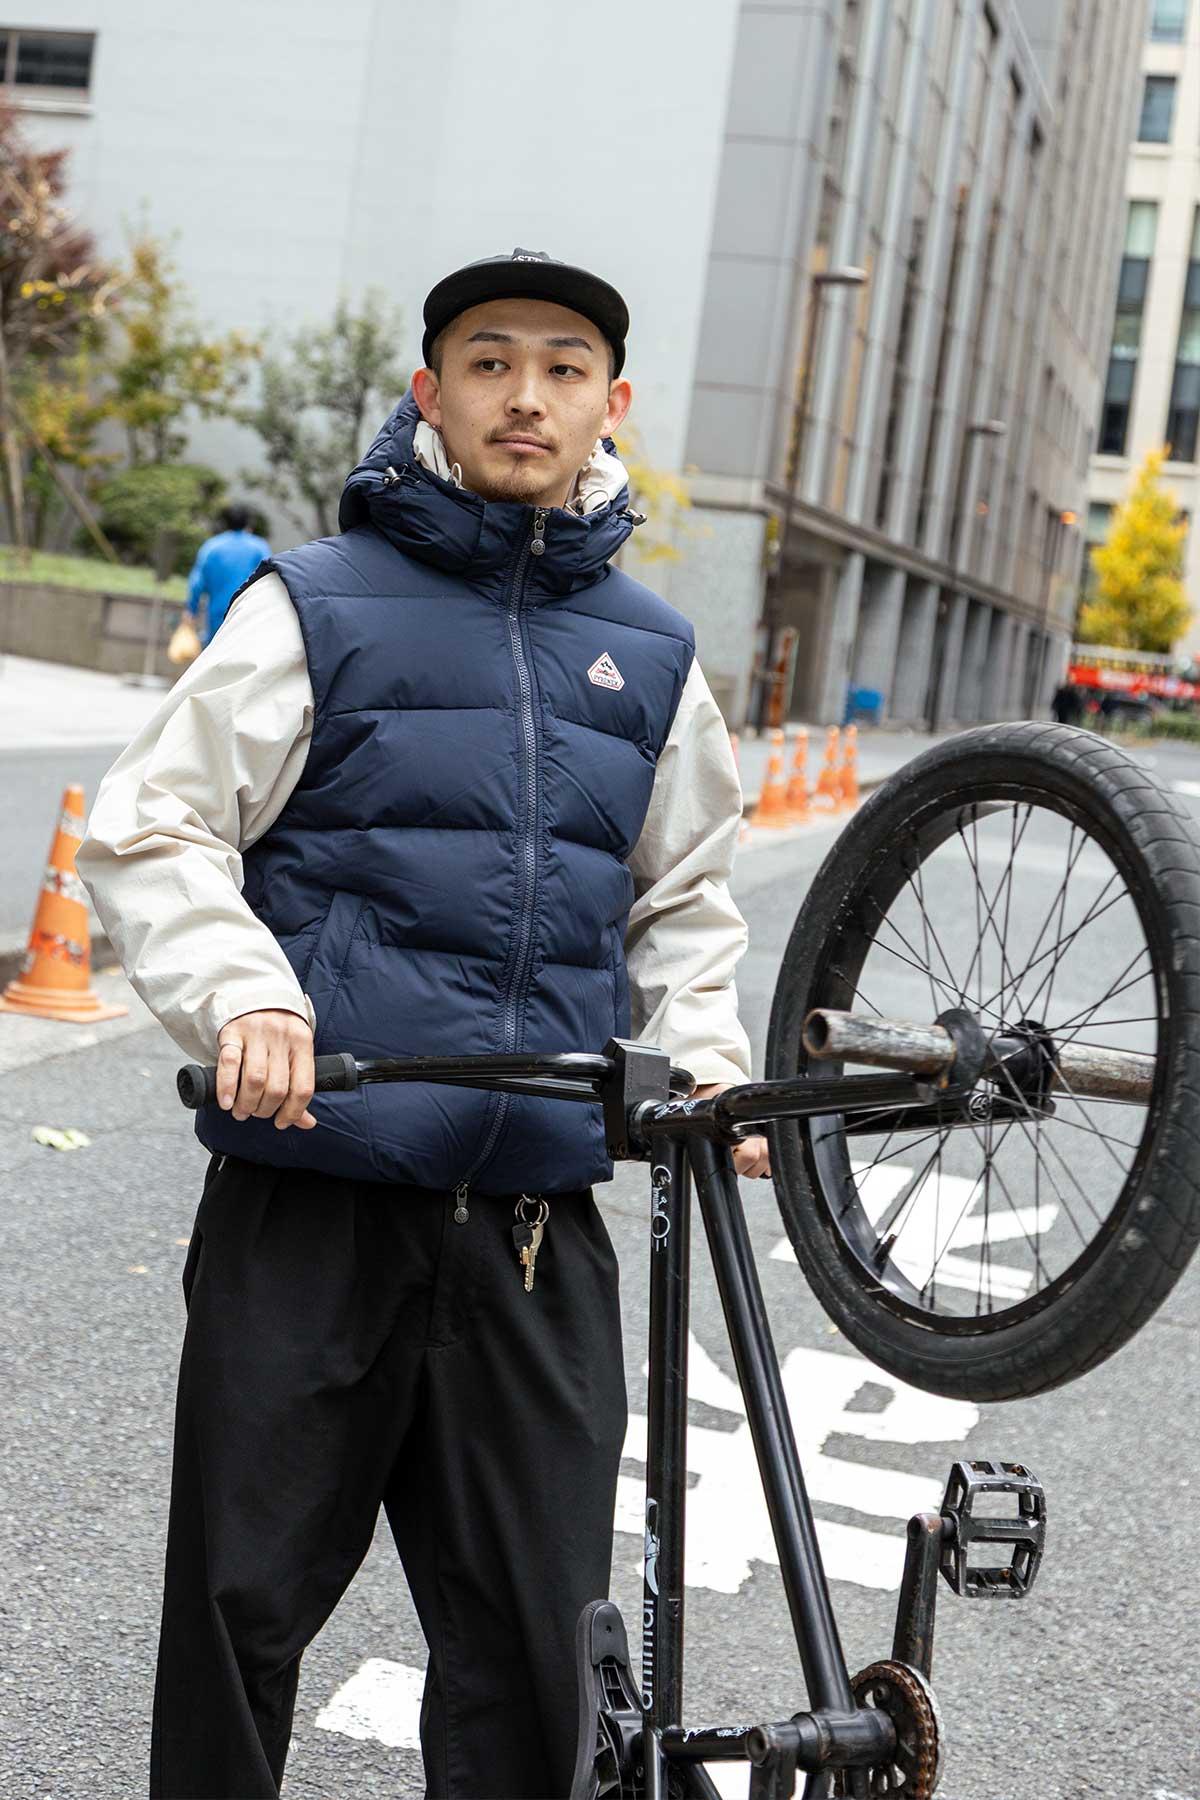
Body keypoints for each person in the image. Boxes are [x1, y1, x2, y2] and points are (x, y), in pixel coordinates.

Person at [77, 247, 768, 1800]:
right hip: (312, 1195)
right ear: (431, 392)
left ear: (611, 403)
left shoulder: (655, 656)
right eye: (490, 361)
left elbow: (685, 902)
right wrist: (248, 993)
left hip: (532, 1223)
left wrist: (710, 1069)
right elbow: (153, 825)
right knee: (238, 1617)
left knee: (542, 1658)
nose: (527, 395)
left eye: (563, 367)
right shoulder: (315, 605)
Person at [182, 502, 271, 646]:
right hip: (249, 614)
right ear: (248, 523)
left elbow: (197, 582)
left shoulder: (211, 547)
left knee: (215, 652)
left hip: (218, 615)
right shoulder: (259, 547)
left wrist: (191, 609)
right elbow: (268, 580)